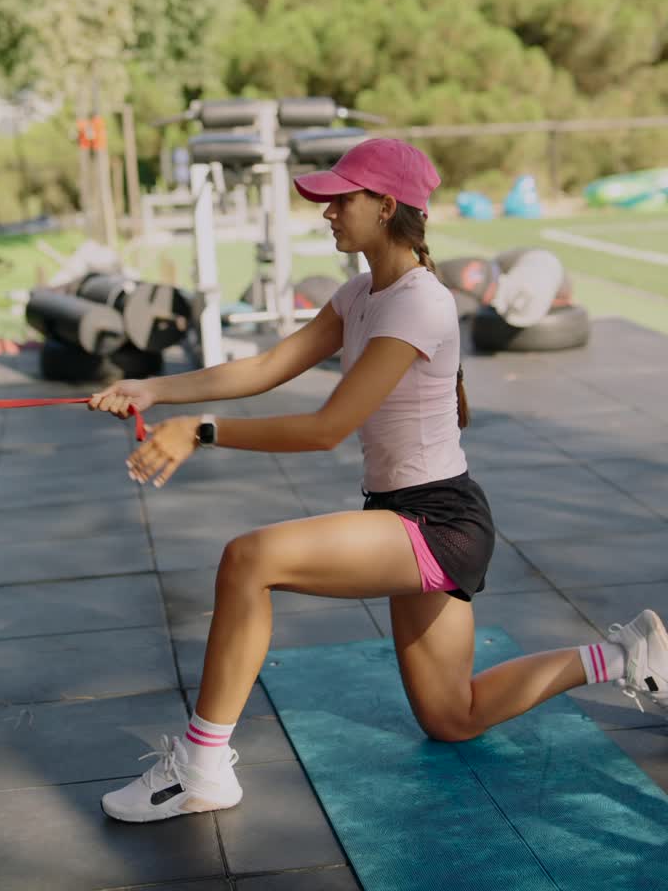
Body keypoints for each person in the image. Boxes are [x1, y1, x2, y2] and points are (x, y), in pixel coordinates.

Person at [88, 138, 668, 824]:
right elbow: (268, 366)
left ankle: (203, 767)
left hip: (436, 523)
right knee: (454, 717)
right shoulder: (361, 292)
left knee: (249, 559)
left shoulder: (418, 304)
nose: (328, 212)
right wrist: (155, 390)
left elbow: (326, 427)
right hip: (410, 513)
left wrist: (203, 430)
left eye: (342, 199)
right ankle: (625, 654)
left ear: (386, 205)